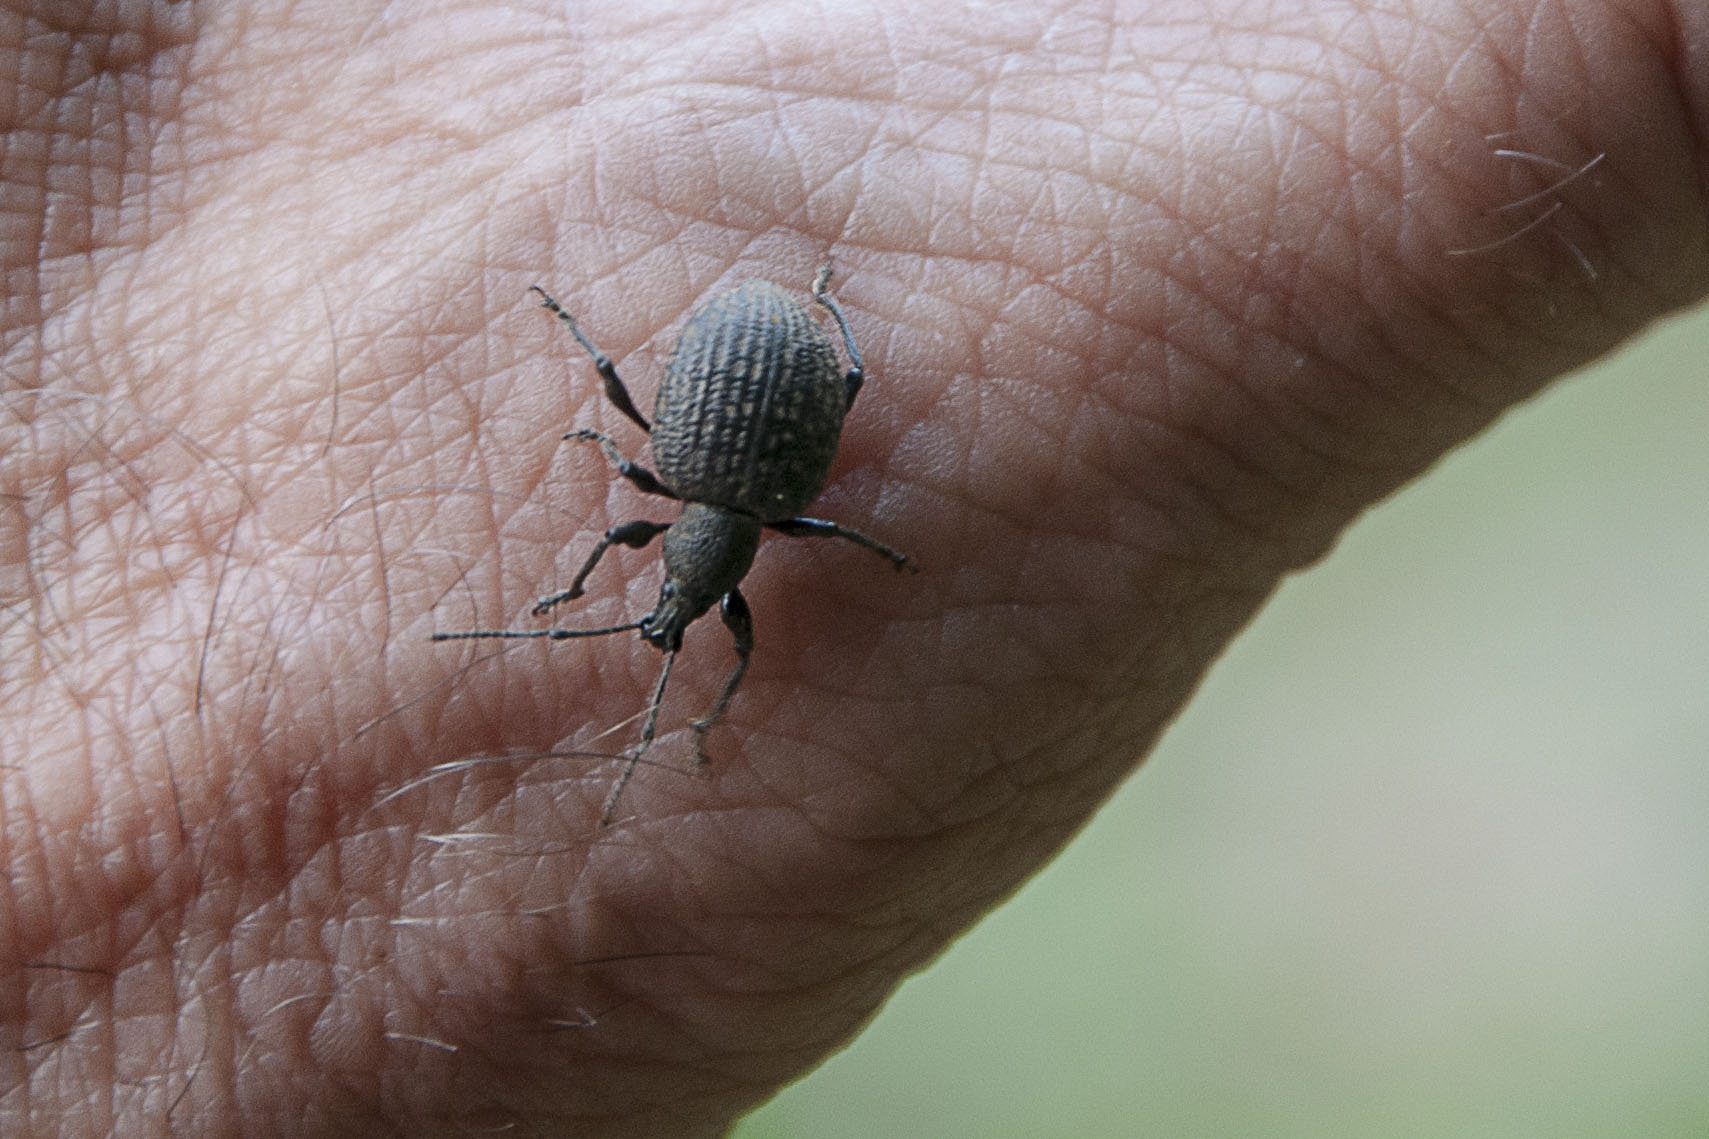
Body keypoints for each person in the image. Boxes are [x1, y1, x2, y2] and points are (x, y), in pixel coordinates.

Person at [4, 2, 1704, 1135]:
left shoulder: (710, 510)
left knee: (681, 446)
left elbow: (699, 551)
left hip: (755, 381)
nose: (662, 610)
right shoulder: (687, 512)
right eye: (676, 606)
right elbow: (658, 543)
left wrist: (806, 572)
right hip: (754, 381)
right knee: (648, 464)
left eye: (663, 596)